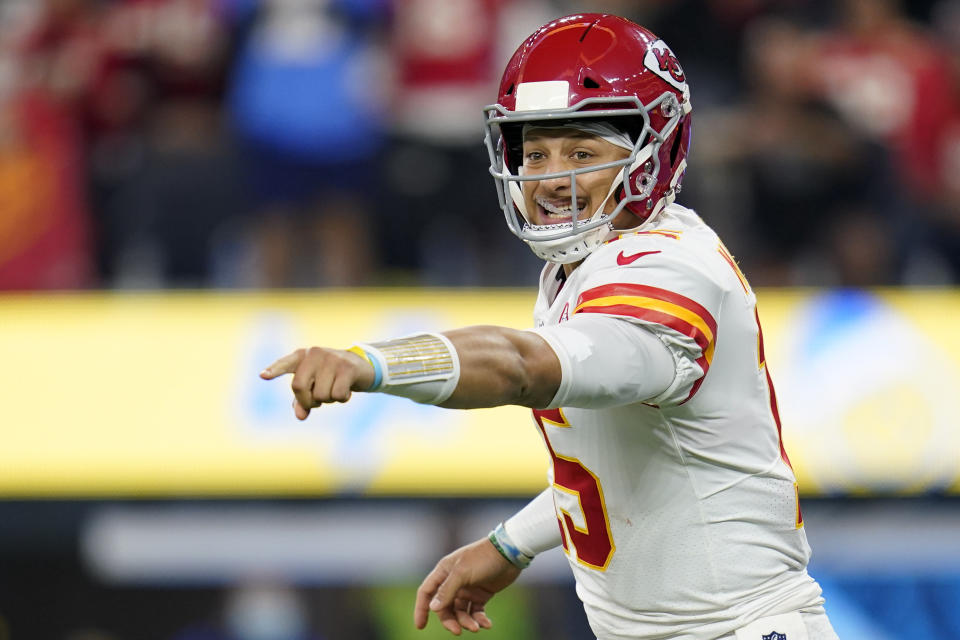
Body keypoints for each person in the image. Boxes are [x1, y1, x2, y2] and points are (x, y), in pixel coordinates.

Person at [260, 13, 838, 640]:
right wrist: (511, 544)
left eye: (581, 152)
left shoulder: (668, 265)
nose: (548, 176)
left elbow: (521, 365)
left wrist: (375, 364)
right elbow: (617, 468)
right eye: (534, 152)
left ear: (653, 153)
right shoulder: (579, 268)